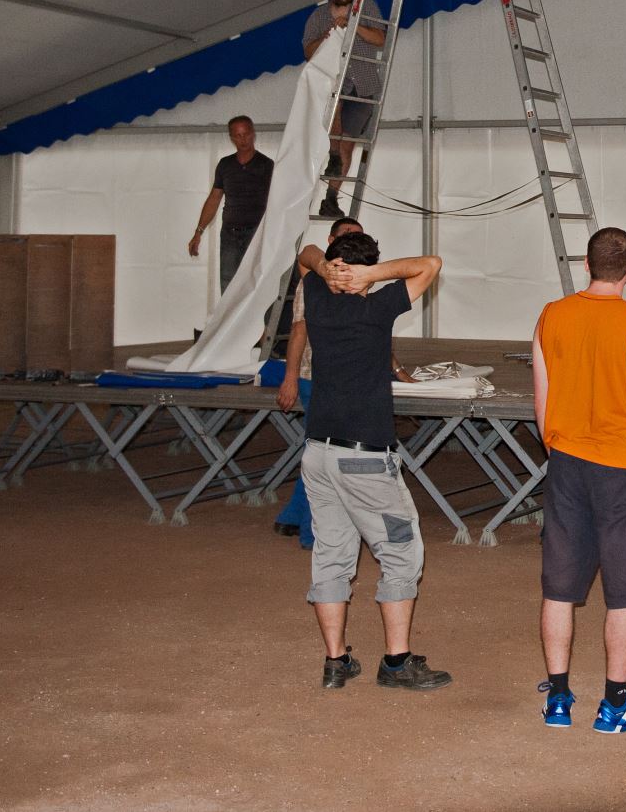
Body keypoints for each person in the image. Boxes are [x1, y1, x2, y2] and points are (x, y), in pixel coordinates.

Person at [275, 230, 449, 689]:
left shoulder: (316, 293)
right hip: (365, 461)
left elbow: (305, 254)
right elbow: (430, 263)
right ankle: (396, 662)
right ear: (365, 274)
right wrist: (370, 275)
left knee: (332, 555)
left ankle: (336, 662)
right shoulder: (376, 307)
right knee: (401, 553)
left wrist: (325, 268)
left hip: (318, 455)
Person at [530, 227, 626, 734]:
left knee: (561, 586)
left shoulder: (552, 315)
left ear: (586, 265)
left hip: (566, 460)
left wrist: (563, 444)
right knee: (624, 590)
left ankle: (559, 700)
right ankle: (614, 706)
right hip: (621, 468)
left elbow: (542, 405)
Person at [272, 217, 413, 543]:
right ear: (332, 242)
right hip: (313, 376)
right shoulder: (320, 287)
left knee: (320, 453)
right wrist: (289, 377)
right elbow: (298, 330)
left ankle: (294, 521)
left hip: (331, 391)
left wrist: (398, 370)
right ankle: (308, 531)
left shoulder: (343, 295)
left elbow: (375, 341)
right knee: (326, 453)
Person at [304, 0, 387, 220]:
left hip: (363, 85)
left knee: (347, 146)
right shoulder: (319, 16)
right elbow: (308, 51)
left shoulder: (367, 7)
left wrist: (353, 25)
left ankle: (330, 198)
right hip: (335, 82)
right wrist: (329, 35)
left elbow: (381, 38)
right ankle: (331, 156)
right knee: (335, 105)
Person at [188, 116, 274, 291]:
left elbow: (278, 199)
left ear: (253, 134)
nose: (243, 139)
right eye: (238, 135)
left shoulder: (266, 164)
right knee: (228, 282)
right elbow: (214, 198)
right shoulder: (225, 165)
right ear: (231, 137)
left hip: (256, 232)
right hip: (230, 233)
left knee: (255, 283)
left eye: (246, 134)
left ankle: (256, 319)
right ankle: (229, 319)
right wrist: (198, 232)